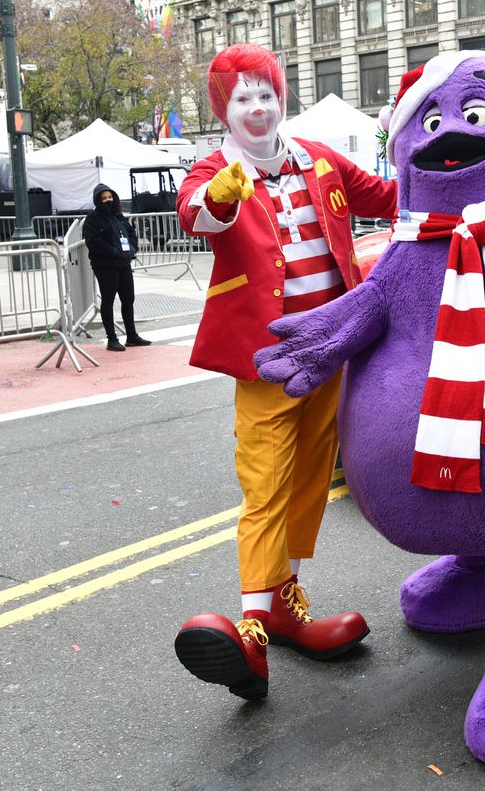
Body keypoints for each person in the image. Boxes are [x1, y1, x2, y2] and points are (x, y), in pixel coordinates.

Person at [171, 43, 398, 701]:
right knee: (266, 479)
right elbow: (196, 213)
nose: (258, 107)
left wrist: (451, 169)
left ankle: (283, 600)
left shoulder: (318, 160)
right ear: (224, 108)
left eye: (266, 93)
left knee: (309, 476)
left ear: (281, 98)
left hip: (329, 344)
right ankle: (252, 625)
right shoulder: (216, 169)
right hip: (266, 356)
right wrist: (220, 195)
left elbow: (383, 195)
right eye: (243, 97)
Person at [82, 183, 150, 351]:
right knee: (108, 300)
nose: (108, 200)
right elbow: (93, 242)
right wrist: (113, 252)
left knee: (128, 299)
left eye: (110, 197)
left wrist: (132, 249)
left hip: (123, 263)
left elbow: (130, 233)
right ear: (98, 200)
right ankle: (111, 338)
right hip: (105, 265)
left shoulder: (118, 216)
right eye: (104, 198)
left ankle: (132, 335)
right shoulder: (93, 218)